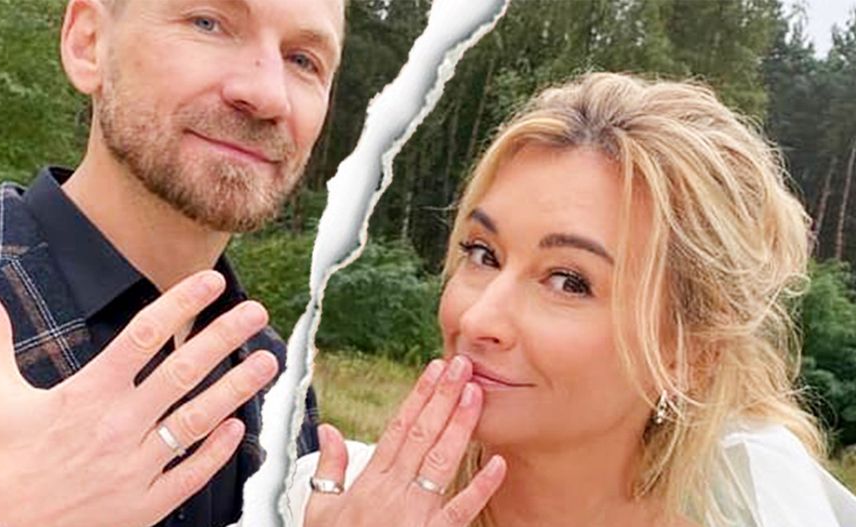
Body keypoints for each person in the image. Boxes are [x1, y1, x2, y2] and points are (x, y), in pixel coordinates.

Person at [283, 72, 856, 526]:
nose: (477, 318)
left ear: (690, 354)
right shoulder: (320, 504)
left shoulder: (766, 504)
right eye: (483, 253)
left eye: (568, 281)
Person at [0, 0, 344, 525]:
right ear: (89, 43)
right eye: (208, 23)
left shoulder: (276, 380)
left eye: (303, 60)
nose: (266, 95)